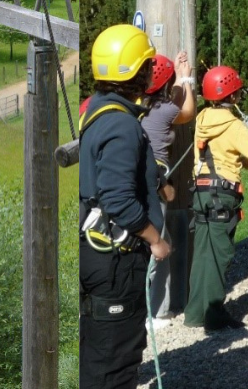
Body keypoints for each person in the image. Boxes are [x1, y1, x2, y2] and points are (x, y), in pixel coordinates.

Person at [78, 24, 169, 389]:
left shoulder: (97, 110)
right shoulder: (123, 125)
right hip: (117, 260)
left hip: (98, 256)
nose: (151, 71)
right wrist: (155, 240)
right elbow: (116, 198)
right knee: (115, 363)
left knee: (98, 353)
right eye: (147, 65)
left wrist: (153, 176)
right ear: (138, 71)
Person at [184, 65, 248, 332]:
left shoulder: (201, 118)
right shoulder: (234, 126)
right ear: (233, 96)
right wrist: (240, 161)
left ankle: (194, 314)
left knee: (202, 254)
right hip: (221, 195)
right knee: (220, 255)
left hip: (199, 192)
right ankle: (215, 316)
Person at [138, 51, 197, 328]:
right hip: (157, 183)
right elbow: (186, 111)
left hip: (139, 180)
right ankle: (157, 313)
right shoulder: (164, 111)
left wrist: (176, 78)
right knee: (161, 244)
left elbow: (170, 98)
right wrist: (186, 79)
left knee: (150, 240)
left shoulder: (141, 105)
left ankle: (141, 305)